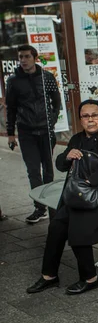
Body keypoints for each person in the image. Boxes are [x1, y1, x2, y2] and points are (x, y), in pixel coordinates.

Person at [26, 100, 98, 295]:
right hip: (80, 195)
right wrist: (67, 157)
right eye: (85, 116)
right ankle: (49, 275)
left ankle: (90, 278)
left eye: (95, 115)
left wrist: (90, 182)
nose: (90, 119)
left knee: (79, 224)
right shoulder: (77, 139)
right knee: (57, 225)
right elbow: (60, 165)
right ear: (80, 119)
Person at [6, 44, 61, 223]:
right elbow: (11, 109)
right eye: (20, 57)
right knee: (33, 170)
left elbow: (56, 102)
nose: (23, 60)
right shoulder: (13, 81)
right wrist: (10, 134)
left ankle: (51, 204)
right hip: (26, 131)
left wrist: (51, 121)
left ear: (35, 58)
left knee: (48, 169)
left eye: (26, 56)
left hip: (46, 130)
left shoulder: (47, 77)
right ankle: (39, 208)